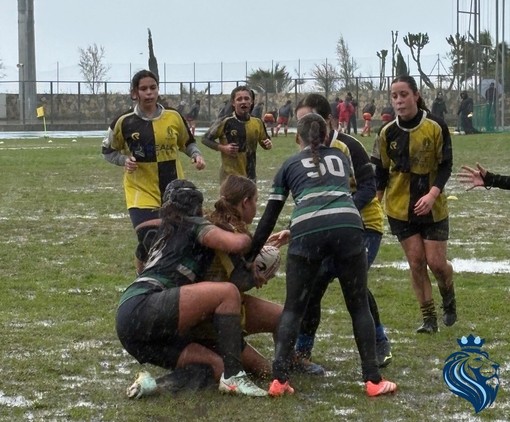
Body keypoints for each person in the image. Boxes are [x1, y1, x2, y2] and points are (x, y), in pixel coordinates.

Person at [246, 112, 397, 397]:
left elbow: (270, 216)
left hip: (307, 231)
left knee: (293, 308)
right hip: (348, 227)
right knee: (358, 306)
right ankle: (373, 380)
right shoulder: (340, 157)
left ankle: (279, 380)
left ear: (297, 137)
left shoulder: (289, 163)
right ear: (327, 136)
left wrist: (250, 253)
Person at [116, 179, 268, 399]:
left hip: (131, 323)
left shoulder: (159, 232)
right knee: (227, 293)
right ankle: (235, 377)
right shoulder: (193, 223)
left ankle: (153, 386)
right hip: (145, 306)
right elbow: (236, 244)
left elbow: (140, 261)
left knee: (216, 366)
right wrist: (248, 239)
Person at [279, 93, 392, 371]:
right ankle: (302, 351)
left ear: (328, 120)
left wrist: (339, 208)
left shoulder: (349, 146)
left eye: (309, 119)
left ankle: (379, 342)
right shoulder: (302, 154)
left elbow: (369, 187)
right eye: (300, 121)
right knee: (314, 283)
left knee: (353, 283)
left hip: (364, 226)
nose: (305, 126)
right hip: (331, 225)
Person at [371, 75, 456, 334]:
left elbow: (445, 166)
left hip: (433, 207)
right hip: (400, 209)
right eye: (394, 96)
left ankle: (448, 296)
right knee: (417, 262)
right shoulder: (386, 132)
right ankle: (429, 318)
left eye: (404, 94)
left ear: (416, 96)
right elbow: (380, 172)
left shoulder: (436, 126)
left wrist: (431, 195)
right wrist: (375, 204)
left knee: (437, 263)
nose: (398, 100)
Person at [101, 69, 206, 274]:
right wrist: (124, 160)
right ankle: (143, 280)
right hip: (140, 190)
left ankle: (165, 277)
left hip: (174, 190)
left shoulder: (174, 117)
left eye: (153, 88)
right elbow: (107, 151)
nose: (149, 93)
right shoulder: (124, 121)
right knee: (149, 237)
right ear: (135, 93)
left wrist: (196, 155)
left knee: (176, 240)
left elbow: (188, 143)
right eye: (143, 89)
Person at [202, 86, 272, 183]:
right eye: (239, 99)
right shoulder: (225, 121)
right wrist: (223, 148)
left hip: (250, 176)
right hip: (230, 177)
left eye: (246, 98)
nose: (243, 101)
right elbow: (205, 139)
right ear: (233, 103)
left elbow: (265, 142)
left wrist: (268, 144)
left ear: (251, 102)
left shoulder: (257, 122)